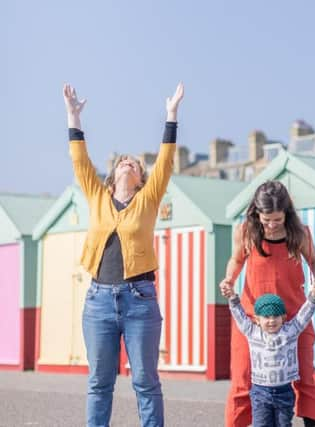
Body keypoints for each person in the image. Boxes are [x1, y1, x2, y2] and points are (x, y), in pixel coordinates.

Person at [63, 82, 184, 427]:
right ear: (114, 172)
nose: (128, 164)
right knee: (99, 383)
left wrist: (171, 115)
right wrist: (73, 116)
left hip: (139, 300)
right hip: (99, 300)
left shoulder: (148, 199)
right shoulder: (98, 196)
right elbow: (80, 161)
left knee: (145, 382)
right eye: (123, 162)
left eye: (134, 164)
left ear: (142, 177)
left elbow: (166, 160)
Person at [220, 180, 315, 427]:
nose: (270, 225)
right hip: (251, 320)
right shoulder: (246, 231)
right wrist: (229, 279)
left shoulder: (300, 233)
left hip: (294, 319)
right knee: (241, 380)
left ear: (287, 214)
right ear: (256, 213)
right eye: (266, 219)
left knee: (306, 379)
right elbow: (235, 261)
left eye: (277, 220)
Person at [220, 280, 315, 427]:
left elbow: (304, 315)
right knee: (261, 424)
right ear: (257, 319)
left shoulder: (290, 331)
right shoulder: (252, 332)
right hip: (260, 392)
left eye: (276, 316)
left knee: (284, 424)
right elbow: (239, 315)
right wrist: (232, 297)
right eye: (266, 317)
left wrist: (314, 295)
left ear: (283, 318)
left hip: (284, 391)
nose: (271, 321)